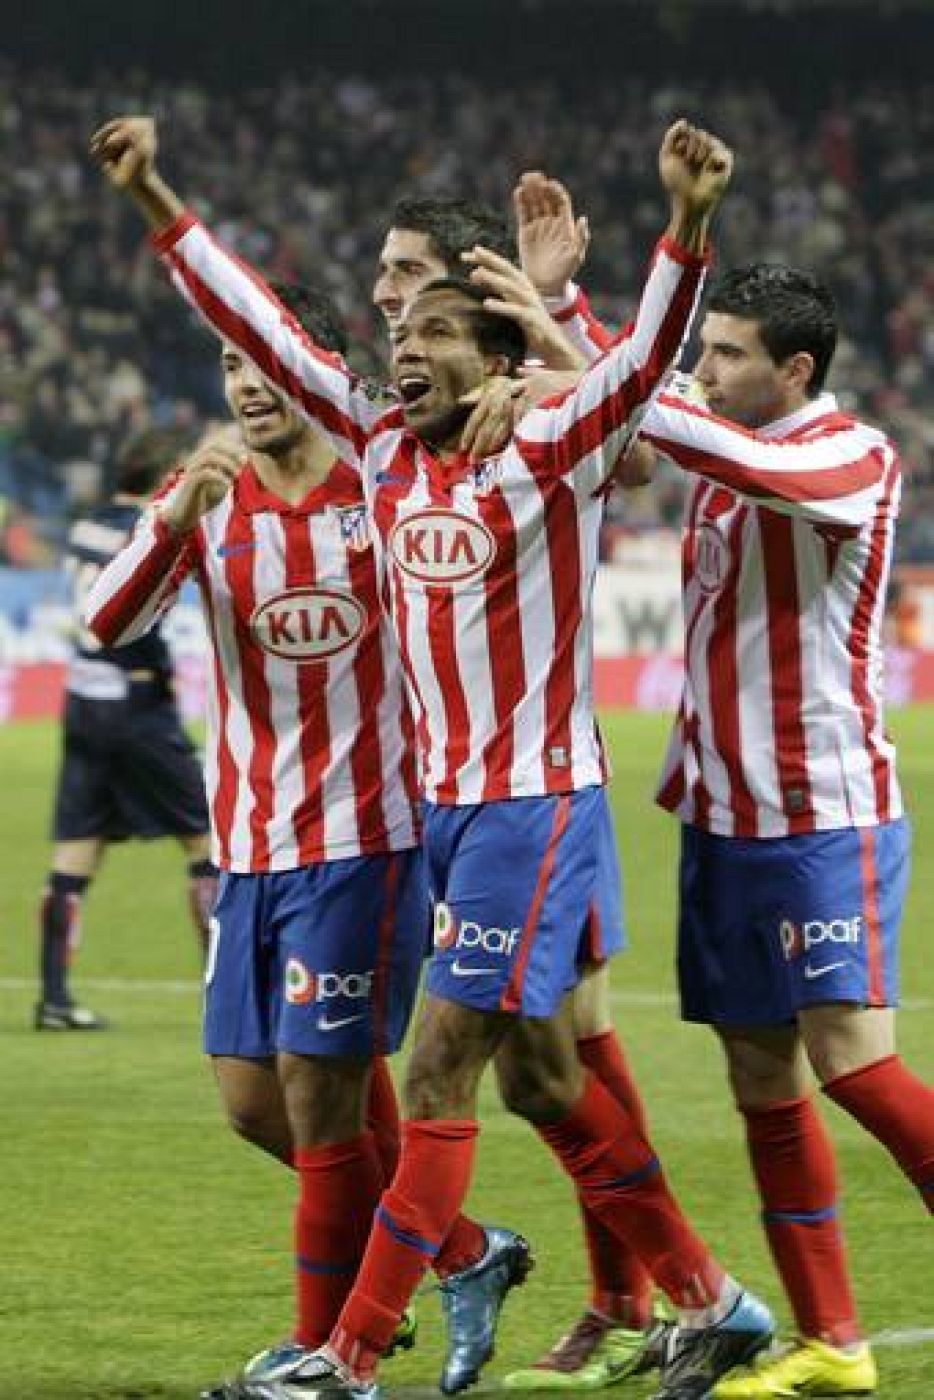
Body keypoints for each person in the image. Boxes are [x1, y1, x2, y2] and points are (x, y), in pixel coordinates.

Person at [95, 111, 803, 1400]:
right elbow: (264, 328)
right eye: (393, 336)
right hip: (444, 815)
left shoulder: (551, 443)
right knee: (541, 1071)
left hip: (533, 805)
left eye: (426, 332)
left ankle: (346, 1355)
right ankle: (714, 1298)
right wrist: (159, 203)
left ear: (492, 353)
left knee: (431, 1069)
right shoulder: (377, 450)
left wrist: (686, 228)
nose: (397, 350)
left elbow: (641, 364)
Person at [529, 216, 934, 1397]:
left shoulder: (849, 456)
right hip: (719, 815)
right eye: (699, 351)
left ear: (794, 371)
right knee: (761, 1078)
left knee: (854, 1062)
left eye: (728, 354)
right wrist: (563, 308)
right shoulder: (718, 436)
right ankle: (833, 1342)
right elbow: (654, 402)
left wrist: (596, 355)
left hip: (822, 812)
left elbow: (686, 426)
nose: (705, 369)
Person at [373, 193, 670, 1389]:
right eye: (388, 278)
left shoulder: (524, 347)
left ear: (468, 295)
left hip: (535, 770)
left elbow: (641, 448)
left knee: (557, 1053)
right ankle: (653, 1292)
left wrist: (545, 335)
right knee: (548, 1062)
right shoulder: (404, 400)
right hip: (454, 776)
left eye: (410, 280)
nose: (390, 296)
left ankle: (640, 1294)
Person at [36, 425, 216, 1031]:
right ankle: (228, 987)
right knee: (206, 839)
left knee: (77, 849)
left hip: (83, 702)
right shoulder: (145, 531)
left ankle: (55, 999)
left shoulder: (85, 526)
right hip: (138, 706)